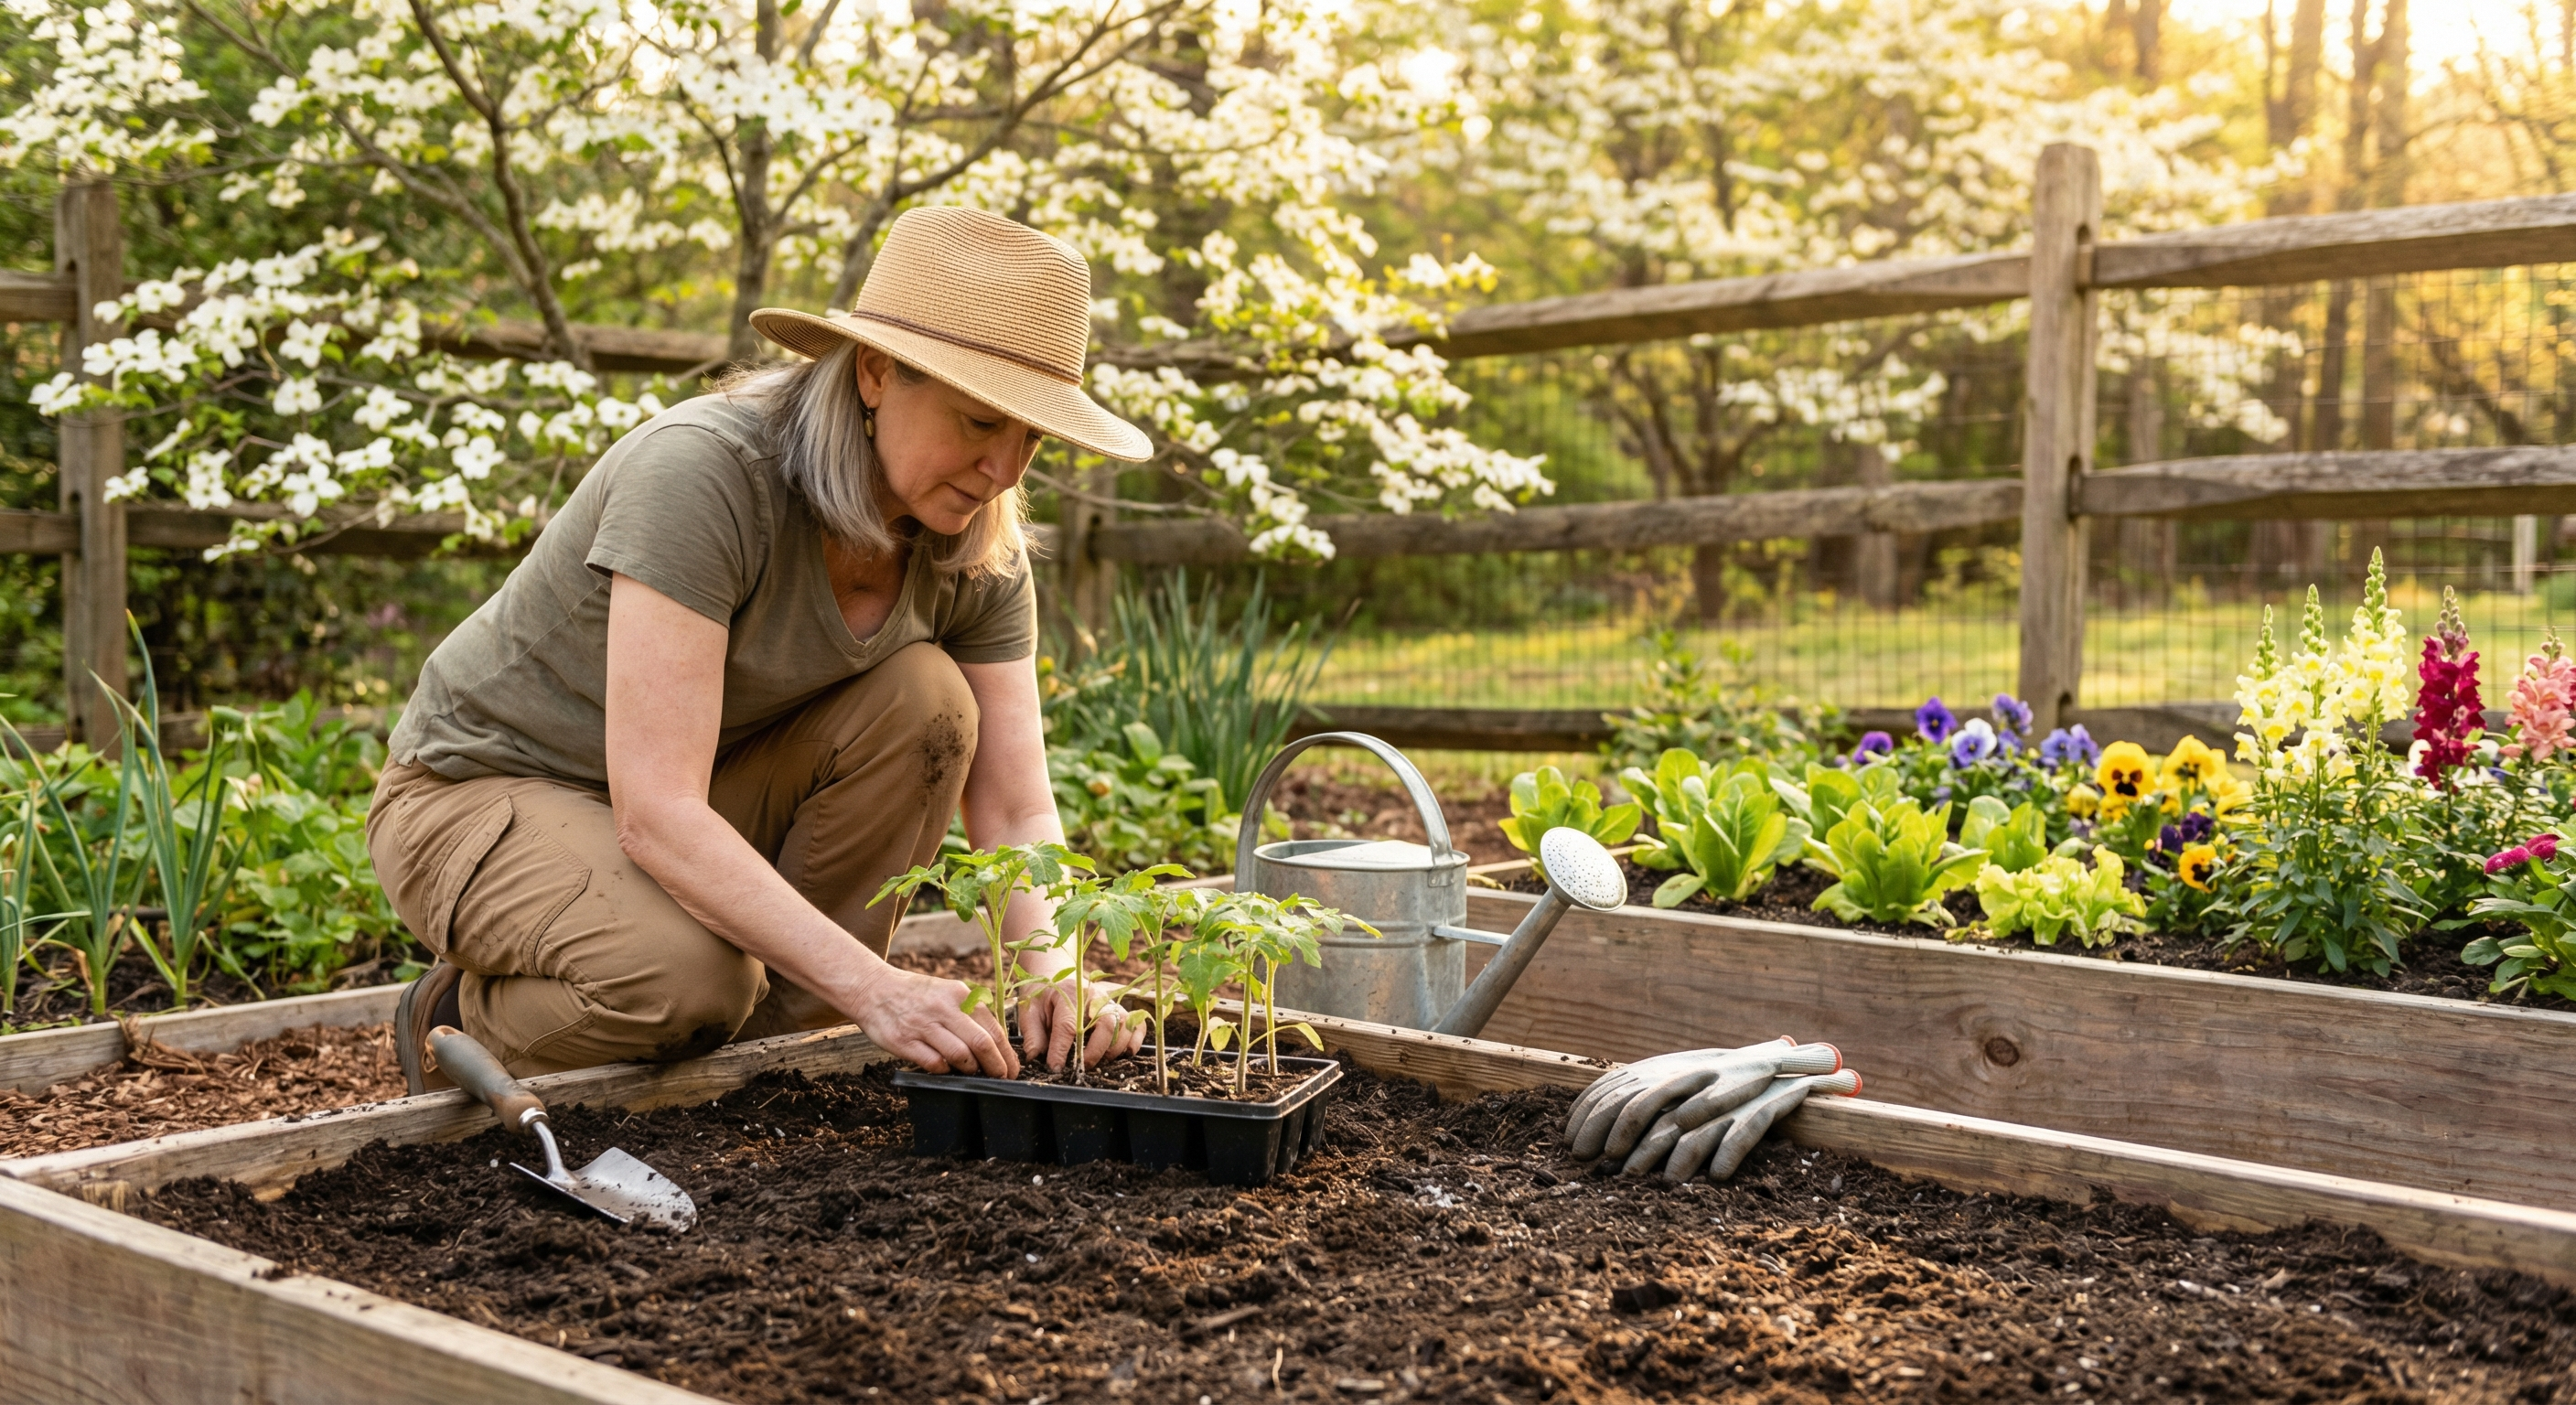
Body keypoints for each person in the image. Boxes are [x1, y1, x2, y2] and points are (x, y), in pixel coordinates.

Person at [370, 206, 1153, 1093]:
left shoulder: (975, 540)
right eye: (980, 423)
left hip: (693, 793)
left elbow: (1013, 809)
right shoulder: (703, 474)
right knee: (684, 983)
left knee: (928, 700)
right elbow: (657, 808)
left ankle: (762, 1066)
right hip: (480, 793)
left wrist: (1054, 974)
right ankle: (453, 1024)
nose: (1005, 470)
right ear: (874, 374)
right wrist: (874, 986)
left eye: (1031, 437)